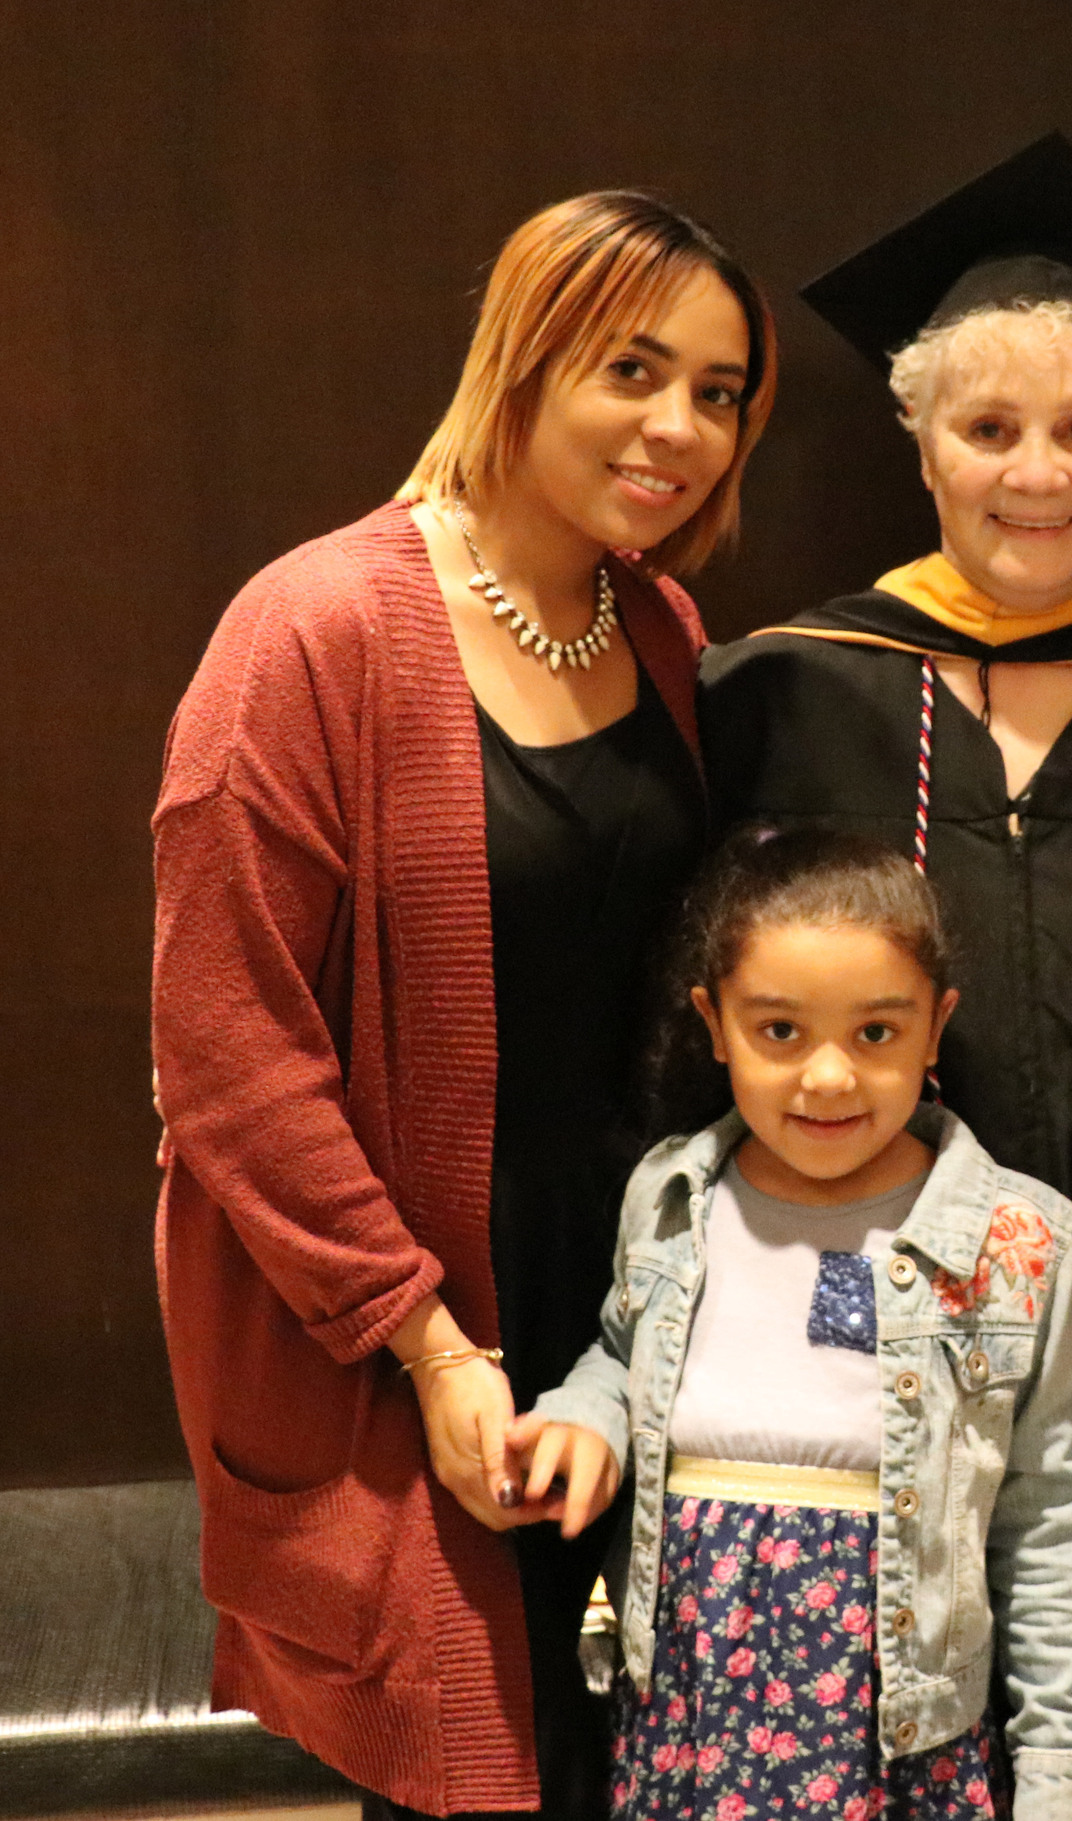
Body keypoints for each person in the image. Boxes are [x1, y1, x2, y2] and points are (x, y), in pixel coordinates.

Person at [150, 190, 776, 1818]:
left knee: (639, 1756)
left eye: (719, 393)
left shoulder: (656, 623)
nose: (680, 428)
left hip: (631, 1278)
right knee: (473, 1762)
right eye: (634, 370)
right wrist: (426, 1348)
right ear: (525, 353)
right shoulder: (317, 630)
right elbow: (228, 1058)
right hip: (422, 1296)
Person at [701, 135, 1072, 1249]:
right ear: (923, 452)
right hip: (864, 1304)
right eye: (987, 431)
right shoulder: (783, 693)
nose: (1036, 474)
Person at [508, 827, 1072, 1821]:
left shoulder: (1020, 1241)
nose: (828, 1079)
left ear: (935, 1025)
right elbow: (621, 1356)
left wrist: (1057, 1776)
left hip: (899, 1739)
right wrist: (587, 1416)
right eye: (780, 1032)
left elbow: (1043, 1522)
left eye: (875, 1033)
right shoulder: (670, 1197)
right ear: (715, 1022)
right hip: (688, 1724)